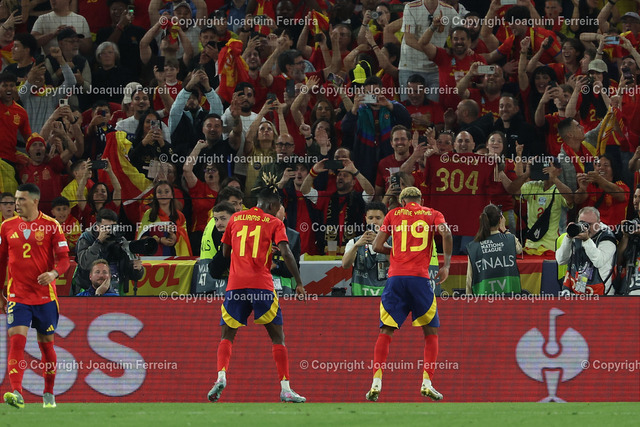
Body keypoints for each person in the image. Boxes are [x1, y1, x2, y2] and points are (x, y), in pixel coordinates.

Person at [207, 188, 306, 403]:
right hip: (261, 286)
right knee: (278, 338)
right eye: (278, 207)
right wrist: (299, 283)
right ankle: (286, 389)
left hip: (235, 286)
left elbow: (225, 253)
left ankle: (221, 376)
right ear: (271, 206)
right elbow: (286, 253)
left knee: (227, 336)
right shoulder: (274, 223)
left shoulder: (236, 218)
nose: (279, 211)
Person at [367, 186, 452, 402]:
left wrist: (396, 252)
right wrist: (446, 265)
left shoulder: (393, 214)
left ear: (402, 201)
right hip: (420, 279)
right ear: (421, 200)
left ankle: (376, 381)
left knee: (386, 330)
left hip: (395, 279)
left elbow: (376, 246)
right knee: (430, 332)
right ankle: (427, 383)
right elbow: (447, 233)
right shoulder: (432, 213)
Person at [0, 183, 71, 409]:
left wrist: (53, 273)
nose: (16, 204)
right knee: (17, 340)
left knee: (47, 346)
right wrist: (0, 292)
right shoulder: (6, 226)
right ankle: (17, 393)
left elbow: (64, 260)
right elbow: (1, 262)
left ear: (35, 201)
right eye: (15, 200)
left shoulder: (51, 225)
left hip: (44, 297)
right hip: (17, 295)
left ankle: (48, 393)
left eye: (21, 199)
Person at [73, 209, 145, 296]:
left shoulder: (120, 240)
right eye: (106, 227)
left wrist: (138, 269)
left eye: (112, 227)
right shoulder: (87, 238)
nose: (109, 230)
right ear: (97, 227)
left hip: (116, 291)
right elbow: (85, 263)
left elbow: (133, 274)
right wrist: (98, 241)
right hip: (89, 290)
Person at [556, 206, 617, 295]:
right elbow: (561, 260)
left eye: (589, 224)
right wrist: (568, 237)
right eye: (582, 223)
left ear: (598, 223)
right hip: (577, 290)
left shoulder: (607, 238)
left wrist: (586, 240)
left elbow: (599, 261)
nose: (585, 228)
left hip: (601, 293)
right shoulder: (577, 232)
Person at [466, 204, 522, 295]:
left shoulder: (474, 246)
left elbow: (469, 280)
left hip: (483, 299)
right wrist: (504, 229)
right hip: (509, 298)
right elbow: (519, 249)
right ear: (500, 220)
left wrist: (468, 299)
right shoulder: (509, 240)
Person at [342, 201, 388, 296]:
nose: (374, 222)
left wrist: (381, 244)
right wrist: (356, 246)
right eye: (370, 218)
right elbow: (345, 265)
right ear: (366, 219)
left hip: (386, 297)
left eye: (378, 218)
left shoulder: (393, 241)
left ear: (385, 219)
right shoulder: (354, 242)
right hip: (360, 298)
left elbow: (398, 265)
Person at [615, 185, 640, 295]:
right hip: (630, 284)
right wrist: (625, 237)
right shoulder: (630, 226)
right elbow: (619, 261)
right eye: (635, 196)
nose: (636, 200)